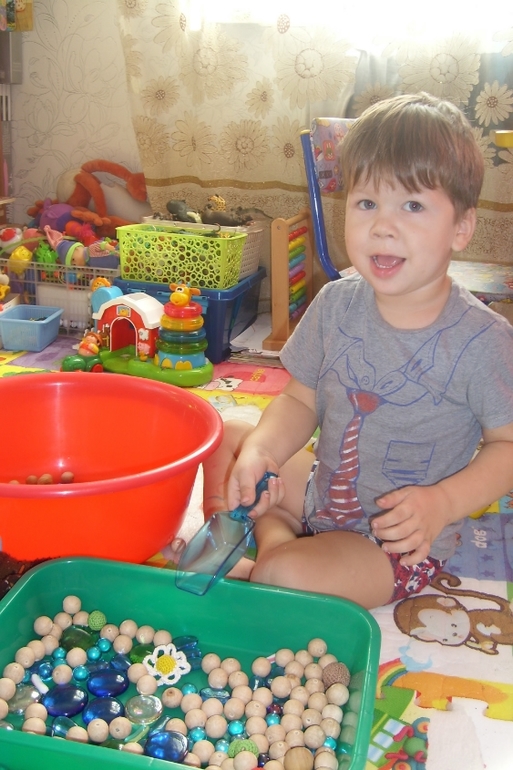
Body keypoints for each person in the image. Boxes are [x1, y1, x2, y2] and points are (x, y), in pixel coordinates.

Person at [193, 92, 513, 610]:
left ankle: (270, 549)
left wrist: (443, 503)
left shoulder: (483, 340)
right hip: (323, 489)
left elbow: (507, 447)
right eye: (367, 203)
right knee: (227, 435)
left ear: (461, 228)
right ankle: (255, 529)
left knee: (287, 574)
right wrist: (264, 452)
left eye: (413, 205)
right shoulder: (336, 302)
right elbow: (299, 401)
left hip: (392, 544)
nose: (383, 226)